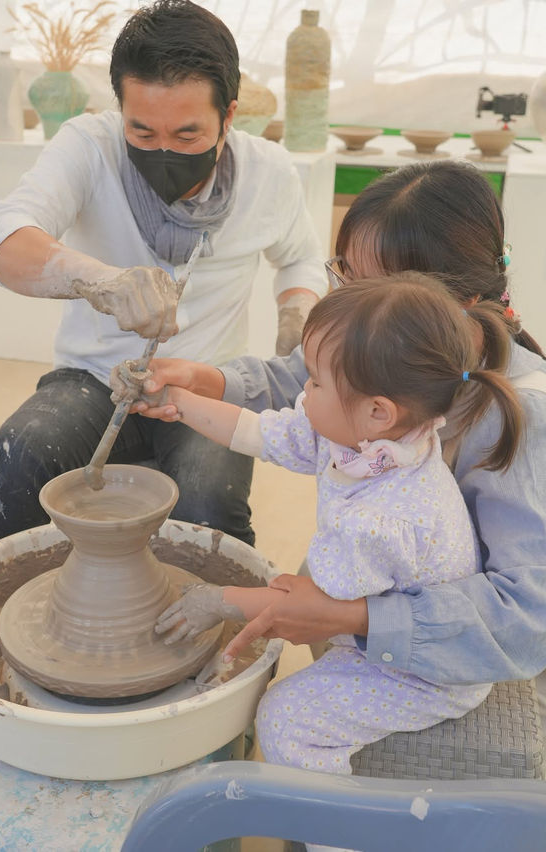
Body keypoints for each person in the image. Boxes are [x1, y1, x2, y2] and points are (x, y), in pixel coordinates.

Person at [114, 159, 546, 722]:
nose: (342, 297)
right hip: (383, 572)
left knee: (288, 718)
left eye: (360, 288)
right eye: (343, 276)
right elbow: (304, 382)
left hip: (451, 646)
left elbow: (528, 617)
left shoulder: (520, 416)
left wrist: (360, 618)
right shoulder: (387, 346)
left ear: (438, 308)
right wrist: (204, 383)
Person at [0, 0, 326, 557]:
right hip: (93, 376)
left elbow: (300, 257)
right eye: (143, 131)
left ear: (228, 116)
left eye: (186, 136)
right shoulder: (89, 146)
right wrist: (97, 280)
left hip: (207, 379)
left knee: (209, 501)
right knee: (22, 451)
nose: (163, 152)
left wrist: (296, 312)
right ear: (120, 109)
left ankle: (219, 633)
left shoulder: (269, 172)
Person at [151, 273, 523, 772]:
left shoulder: (382, 516)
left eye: (316, 381)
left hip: (428, 669)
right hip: (383, 612)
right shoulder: (373, 441)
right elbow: (261, 432)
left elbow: (318, 605)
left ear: (377, 411)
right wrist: (177, 402)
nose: (304, 392)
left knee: (284, 719)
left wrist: (216, 601)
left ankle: (338, 834)